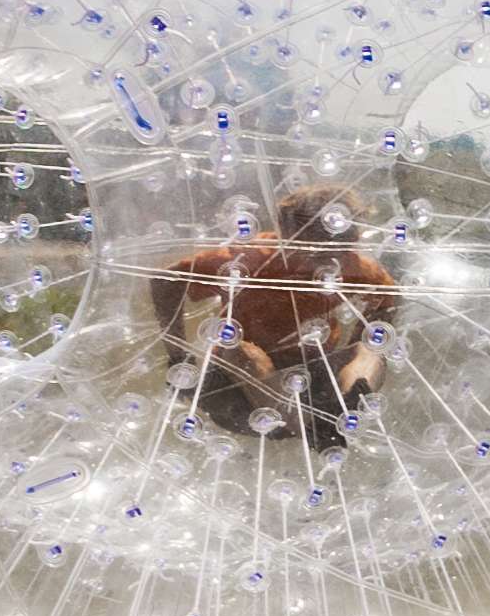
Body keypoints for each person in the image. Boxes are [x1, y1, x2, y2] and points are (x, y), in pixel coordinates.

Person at [146, 183, 397, 453]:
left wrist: (362, 341)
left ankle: (346, 401)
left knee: (370, 348)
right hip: (246, 375)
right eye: (315, 249)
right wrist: (179, 355)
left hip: (314, 365)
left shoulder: (353, 267)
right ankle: (311, 426)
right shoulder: (250, 258)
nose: (326, 262)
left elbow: (388, 302)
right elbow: (166, 280)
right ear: (286, 232)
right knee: (239, 350)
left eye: (339, 249)